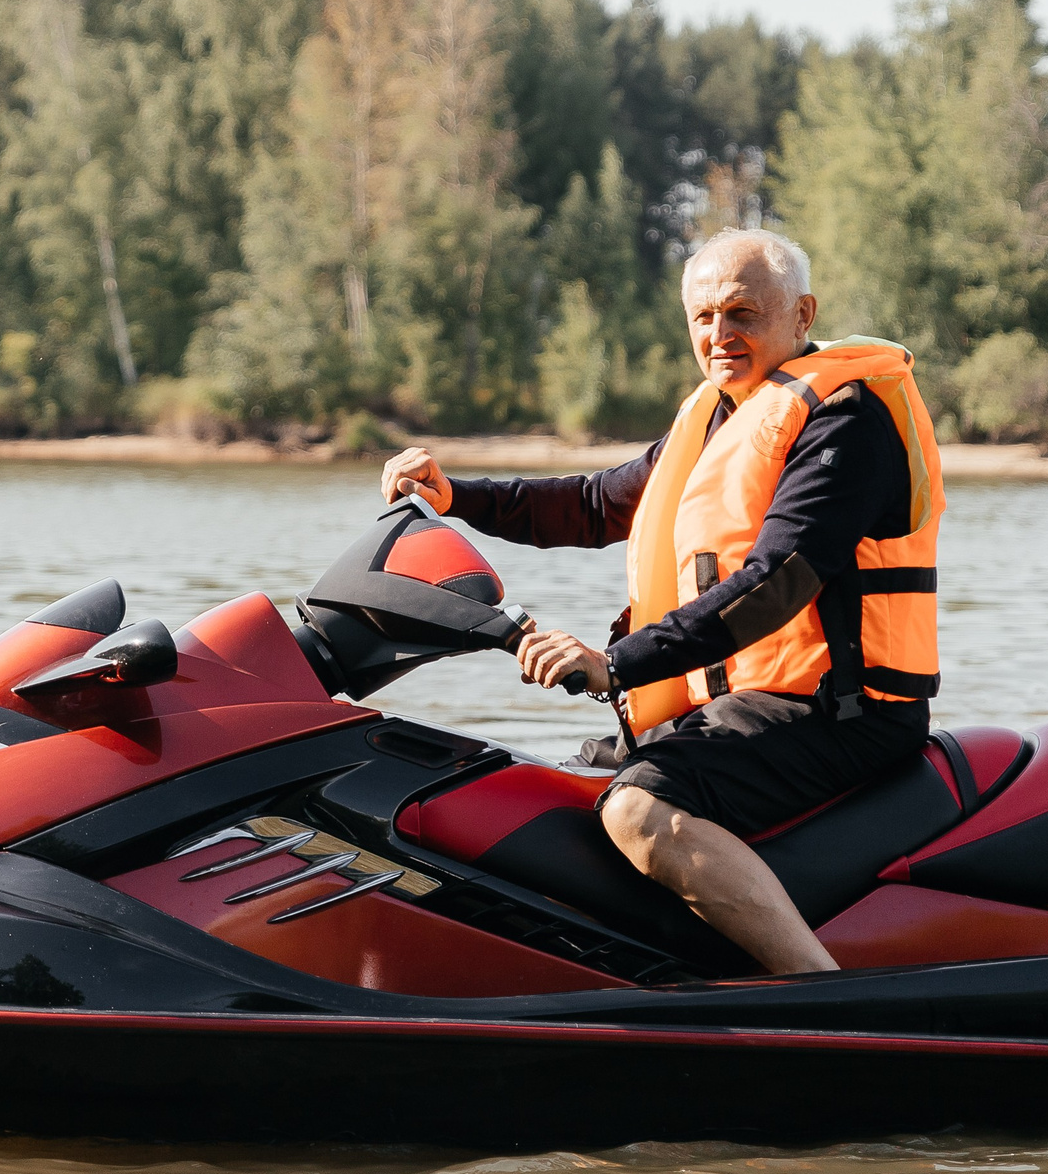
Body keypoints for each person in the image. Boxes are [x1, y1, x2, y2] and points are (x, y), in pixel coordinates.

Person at [377, 228, 944, 975]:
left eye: (742, 312)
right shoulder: (719, 413)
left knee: (638, 807)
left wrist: (615, 664)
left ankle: (823, 998)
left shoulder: (847, 417)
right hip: (739, 704)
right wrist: (455, 496)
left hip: (841, 712)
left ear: (802, 314)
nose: (720, 333)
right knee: (545, 787)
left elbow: (778, 579)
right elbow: (592, 503)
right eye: (704, 317)